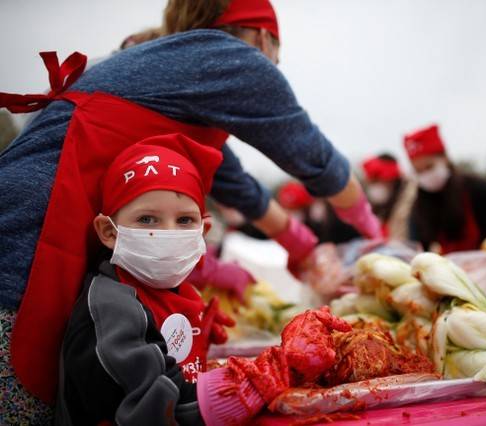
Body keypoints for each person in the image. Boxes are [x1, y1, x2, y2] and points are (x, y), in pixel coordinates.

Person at [0, 0, 380, 418]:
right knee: (26, 388)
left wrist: (302, 249)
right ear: (262, 37)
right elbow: (316, 160)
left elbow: (239, 186)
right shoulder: (232, 57)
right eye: (277, 57)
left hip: (33, 212)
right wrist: (371, 231)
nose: (273, 67)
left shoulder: (179, 70)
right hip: (30, 230)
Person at [54, 133, 350, 425]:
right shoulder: (111, 309)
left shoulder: (180, 292)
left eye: (184, 220)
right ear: (109, 232)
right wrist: (274, 370)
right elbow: (166, 407)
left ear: (202, 233)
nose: (169, 233)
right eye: (147, 219)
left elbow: (176, 370)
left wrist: (196, 339)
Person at [404, 124, 486, 254]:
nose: (426, 175)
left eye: (429, 167)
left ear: (444, 158)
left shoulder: (479, 190)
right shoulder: (418, 210)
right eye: (419, 171)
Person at [361, 153, 416, 240]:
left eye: (376, 181)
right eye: (371, 183)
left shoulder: (410, 203)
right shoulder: (379, 206)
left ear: (392, 180)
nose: (374, 187)